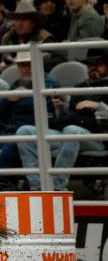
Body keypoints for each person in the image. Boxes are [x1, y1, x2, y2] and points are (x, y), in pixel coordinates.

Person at [20, 47, 108, 191]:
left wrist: (98, 106)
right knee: (24, 131)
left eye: (98, 64)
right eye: (90, 64)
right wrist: (60, 108)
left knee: (72, 130)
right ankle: (37, 188)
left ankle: (57, 188)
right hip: (68, 132)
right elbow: (68, 116)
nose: (93, 68)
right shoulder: (79, 87)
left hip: (96, 138)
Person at [0, 49, 60, 177]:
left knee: (9, 148)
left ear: (38, 63)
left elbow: (46, 110)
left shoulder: (50, 83)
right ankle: (2, 181)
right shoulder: (17, 83)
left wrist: (24, 97)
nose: (26, 68)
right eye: (22, 65)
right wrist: (9, 99)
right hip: (9, 132)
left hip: (32, 133)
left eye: (30, 64)